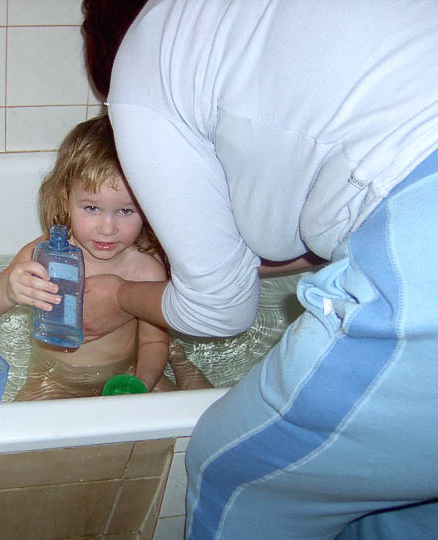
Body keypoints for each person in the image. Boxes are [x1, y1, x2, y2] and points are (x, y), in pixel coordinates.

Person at [81, 0, 438, 538]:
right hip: (411, 203)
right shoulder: (246, 32)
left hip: (420, 234)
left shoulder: (150, 55)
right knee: (395, 487)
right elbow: (324, 227)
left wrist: (115, 296)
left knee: (235, 473)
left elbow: (218, 311)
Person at [0, 115, 208, 400]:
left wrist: (141, 383)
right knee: (21, 426)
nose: (107, 228)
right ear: (66, 199)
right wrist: (9, 291)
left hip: (124, 372)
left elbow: (152, 341)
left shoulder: (146, 271)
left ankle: (178, 359)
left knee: (190, 412)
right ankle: (178, 358)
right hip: (52, 377)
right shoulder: (42, 255)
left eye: (126, 211)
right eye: (92, 208)